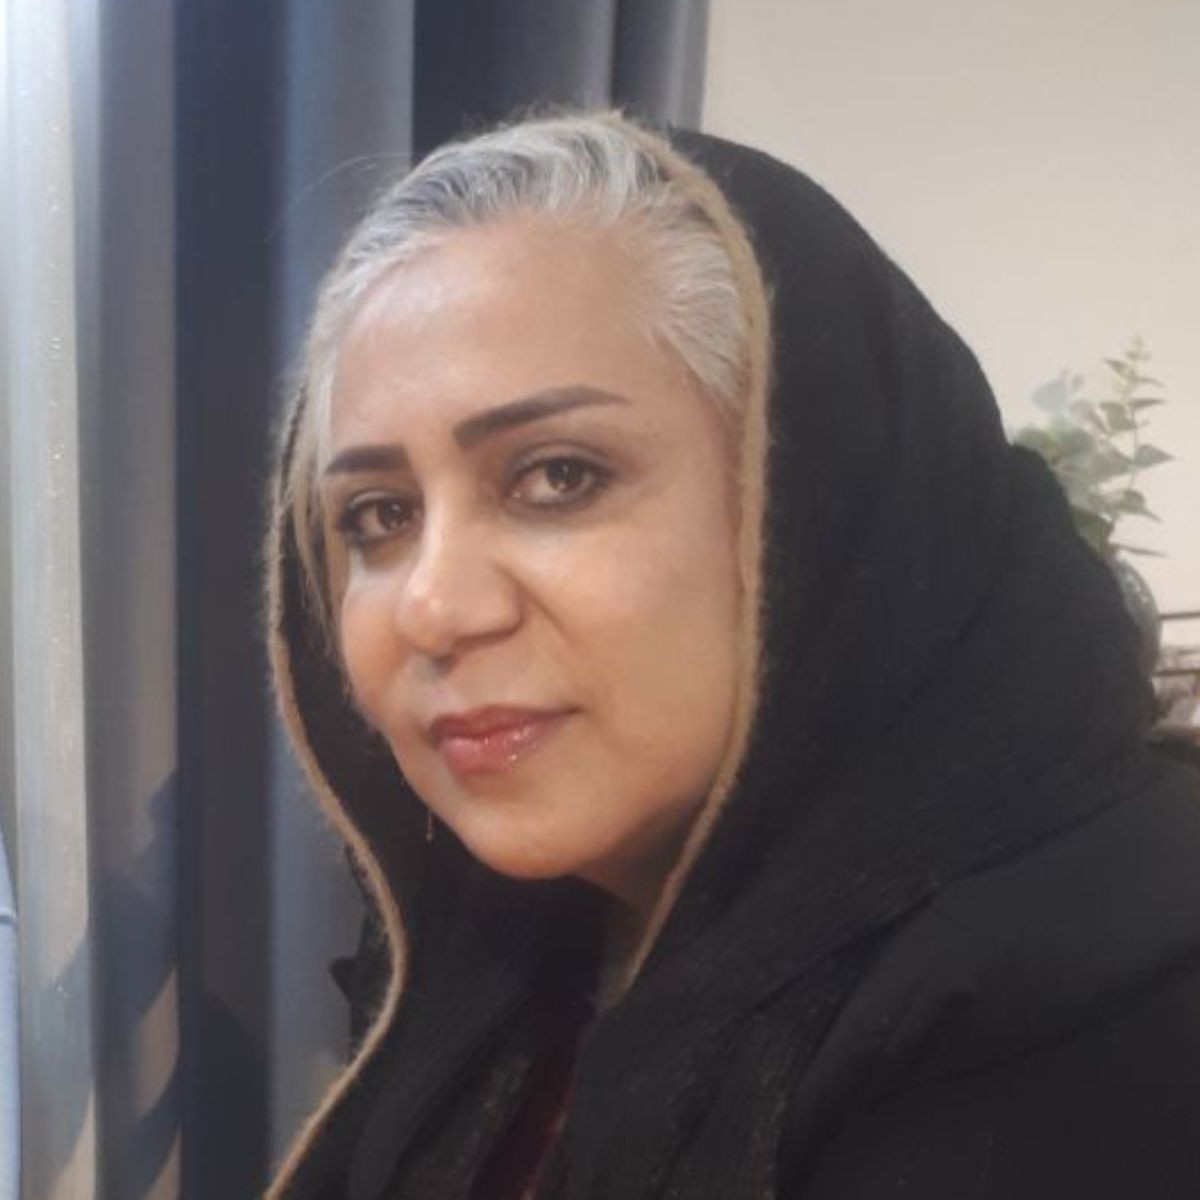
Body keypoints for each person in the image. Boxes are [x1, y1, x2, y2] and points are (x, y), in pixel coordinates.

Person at [263, 112, 1200, 1199]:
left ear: (818, 496)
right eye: (380, 515)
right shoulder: (516, 942)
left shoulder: (1094, 1017)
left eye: (557, 477)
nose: (434, 608)